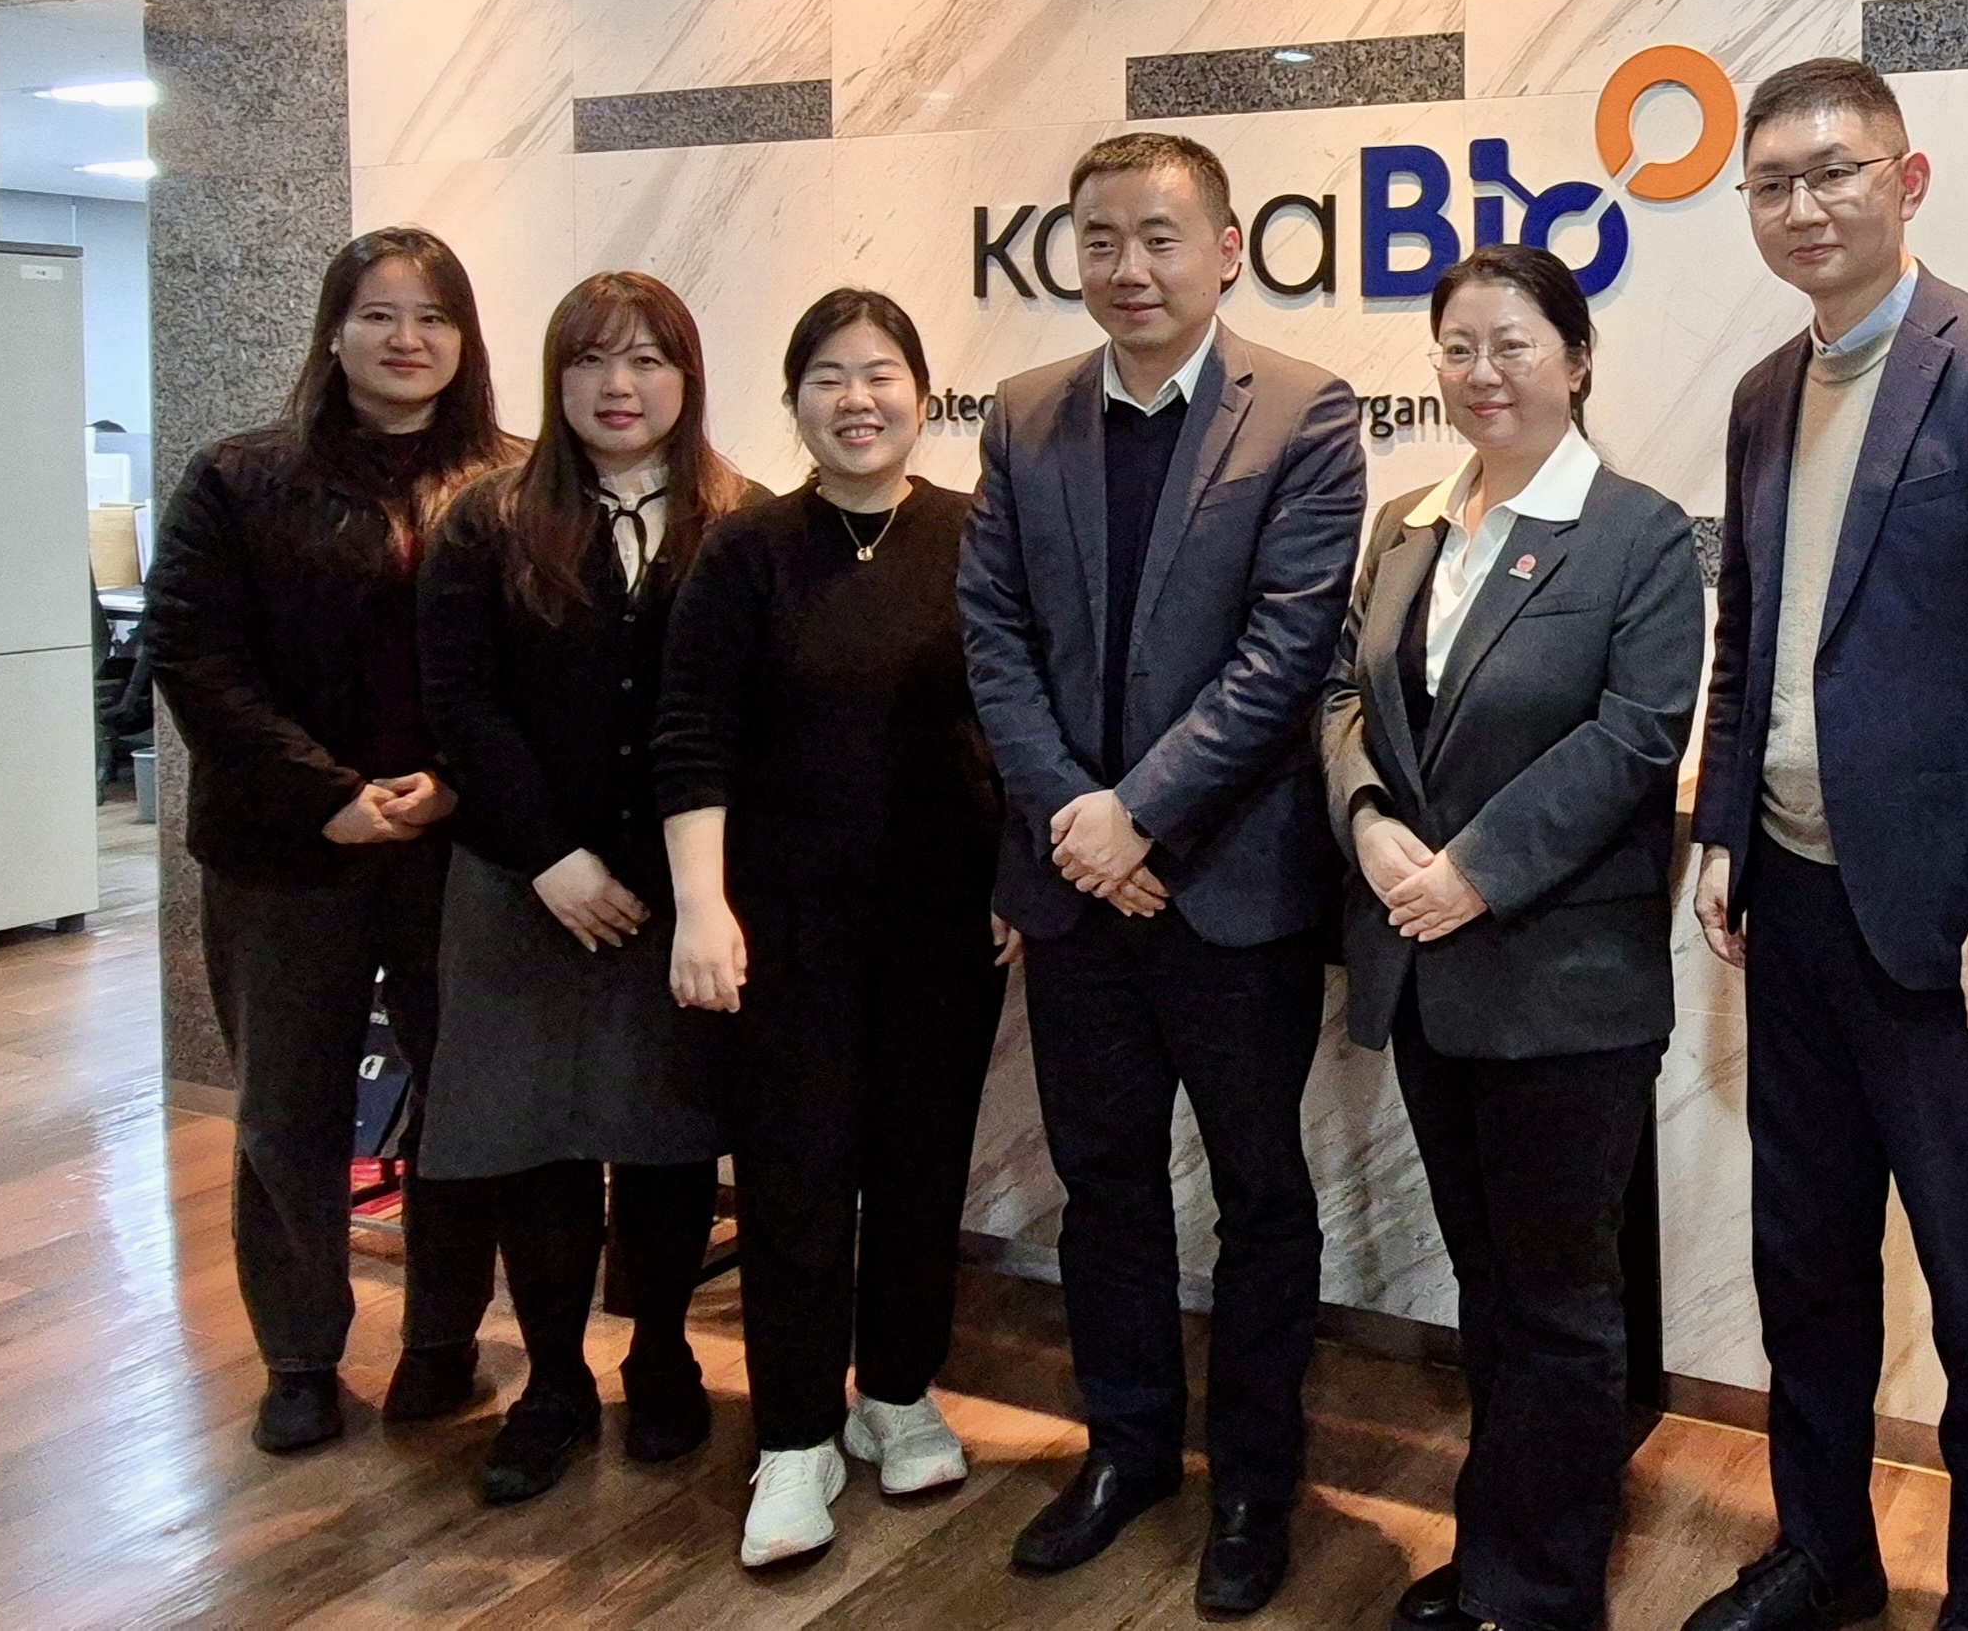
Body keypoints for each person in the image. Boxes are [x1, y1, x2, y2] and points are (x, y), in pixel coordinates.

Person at [1684, 58, 1968, 1631]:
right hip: (1791, 904)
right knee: (1804, 1266)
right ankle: (1823, 1555)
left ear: (1905, 180)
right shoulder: (1760, 393)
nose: (1803, 207)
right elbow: (1748, 640)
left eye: (1834, 172)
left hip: (1947, 927)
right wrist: (1720, 833)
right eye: (1771, 184)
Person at [958, 130, 1365, 1615]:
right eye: (1100, 239)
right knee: (1104, 1183)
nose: (1128, 267)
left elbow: (1287, 650)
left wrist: (1140, 816)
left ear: (1227, 250)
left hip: (1232, 888)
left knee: (1259, 1192)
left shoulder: (1306, 411)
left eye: (1158, 236)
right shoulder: (1023, 415)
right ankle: (1124, 1449)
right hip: (1077, 891)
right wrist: (1080, 817)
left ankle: (1254, 1480)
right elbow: (993, 636)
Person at [1321, 244, 1704, 1631]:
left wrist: (1474, 872)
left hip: (1561, 983)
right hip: (1427, 974)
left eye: (1514, 344)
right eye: (1458, 346)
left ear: (1577, 360)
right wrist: (1367, 820)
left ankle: (1541, 1592)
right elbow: (1341, 695)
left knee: (1559, 1302)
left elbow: (1636, 736)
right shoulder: (1408, 525)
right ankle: (1496, 1553)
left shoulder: (1639, 534)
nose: (1482, 372)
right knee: (1488, 1288)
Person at [653, 288, 1010, 1569]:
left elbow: (1023, 719)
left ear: (922, 391)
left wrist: (1019, 875)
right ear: (794, 399)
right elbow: (690, 732)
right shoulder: (745, 550)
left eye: (880, 373)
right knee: (795, 1176)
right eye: (827, 377)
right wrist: (701, 902)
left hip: (944, 923)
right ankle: (796, 1432)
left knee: (922, 1164)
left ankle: (898, 1391)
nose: (857, 399)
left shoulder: (980, 535)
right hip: (783, 925)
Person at [143, 226, 512, 1453]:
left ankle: (442, 1339)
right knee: (287, 1108)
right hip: (282, 848)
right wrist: (327, 794)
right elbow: (194, 655)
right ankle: (299, 1355)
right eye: (380, 313)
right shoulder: (239, 475)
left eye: (434, 315)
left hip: (457, 847)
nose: (408, 338)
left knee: (465, 1099)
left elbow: (531, 667)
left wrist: (451, 781)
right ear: (335, 330)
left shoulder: (511, 480)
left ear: (465, 339)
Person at [417, 272, 758, 1503]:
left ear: (689, 377)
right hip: (522, 885)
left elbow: (743, 714)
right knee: (537, 1144)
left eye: (648, 359)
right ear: (554, 376)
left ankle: (661, 1349)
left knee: (665, 1134)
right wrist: (550, 856)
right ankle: (554, 1379)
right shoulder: (487, 518)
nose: (620, 386)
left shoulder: (740, 520)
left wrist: (686, 879)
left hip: (677, 892)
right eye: (591, 360)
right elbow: (460, 701)